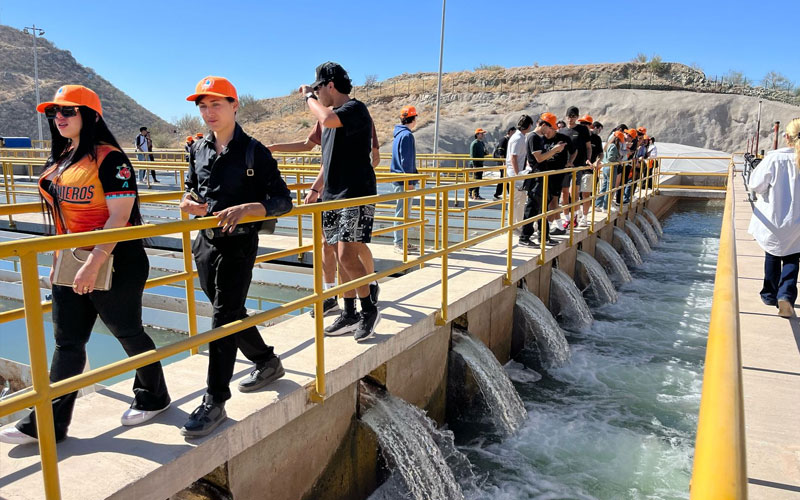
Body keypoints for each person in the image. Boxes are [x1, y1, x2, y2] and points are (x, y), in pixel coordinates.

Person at [0, 85, 171, 445]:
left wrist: (93, 264)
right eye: (54, 113)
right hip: (72, 260)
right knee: (68, 342)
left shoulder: (111, 160)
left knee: (127, 332)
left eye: (68, 111)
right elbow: (63, 219)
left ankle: (155, 396)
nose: (59, 118)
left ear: (90, 116)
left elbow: (120, 217)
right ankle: (49, 423)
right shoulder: (62, 157)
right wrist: (59, 260)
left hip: (115, 260)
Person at [179, 76, 292, 437]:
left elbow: (283, 200)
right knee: (228, 311)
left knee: (223, 319)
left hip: (239, 245)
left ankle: (215, 400)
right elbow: (191, 189)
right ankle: (266, 361)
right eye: (203, 106)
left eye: (216, 104)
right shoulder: (197, 149)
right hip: (206, 243)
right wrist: (188, 203)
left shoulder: (254, 151)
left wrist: (253, 207)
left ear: (234, 105)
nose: (208, 112)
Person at [268, 102, 382, 318]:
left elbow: (372, 153)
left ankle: (368, 286)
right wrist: (275, 148)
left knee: (352, 248)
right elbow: (309, 146)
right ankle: (334, 297)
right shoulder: (325, 120)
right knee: (328, 245)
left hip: (351, 191)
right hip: (330, 190)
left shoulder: (353, 112)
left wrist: (371, 154)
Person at [300, 62, 381, 342]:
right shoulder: (332, 119)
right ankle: (349, 312)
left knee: (348, 254)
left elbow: (327, 119)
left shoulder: (355, 110)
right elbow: (328, 161)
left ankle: (369, 309)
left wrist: (307, 97)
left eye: (318, 88)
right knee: (336, 254)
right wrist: (314, 189)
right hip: (333, 195)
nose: (317, 93)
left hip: (356, 192)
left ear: (329, 86)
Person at [748, 118, 800, 318]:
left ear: (786, 137)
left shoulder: (775, 158)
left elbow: (756, 184)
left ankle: (770, 295)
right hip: (797, 222)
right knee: (792, 256)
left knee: (772, 254)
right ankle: (786, 295)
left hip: (774, 218)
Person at [519, 116, 563, 246]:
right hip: (537, 177)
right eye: (550, 127)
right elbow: (539, 158)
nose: (550, 130)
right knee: (532, 208)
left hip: (543, 176)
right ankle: (524, 237)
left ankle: (544, 236)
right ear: (544, 124)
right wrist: (555, 150)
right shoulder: (533, 137)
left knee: (543, 208)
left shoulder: (540, 138)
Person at [391, 105, 419, 254]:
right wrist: (410, 181)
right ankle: (399, 242)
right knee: (402, 212)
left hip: (399, 178)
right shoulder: (407, 136)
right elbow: (406, 161)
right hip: (404, 180)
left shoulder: (398, 135)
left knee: (403, 212)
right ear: (413, 119)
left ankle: (403, 241)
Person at [558, 106, 592, 228]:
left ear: (577, 117)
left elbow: (588, 147)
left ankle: (575, 216)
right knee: (564, 194)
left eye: (573, 116)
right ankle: (567, 218)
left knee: (575, 193)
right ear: (565, 117)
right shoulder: (561, 131)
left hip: (578, 166)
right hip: (564, 167)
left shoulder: (582, 130)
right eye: (569, 116)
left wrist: (588, 159)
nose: (570, 119)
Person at [506, 115, 534, 230]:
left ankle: (518, 224)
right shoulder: (517, 138)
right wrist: (518, 175)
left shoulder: (520, 137)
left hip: (519, 172)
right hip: (516, 174)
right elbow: (513, 157)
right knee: (516, 200)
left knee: (520, 200)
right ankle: (513, 225)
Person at [596, 130, 625, 211]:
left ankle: (598, 205)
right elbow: (611, 158)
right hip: (611, 168)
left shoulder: (608, 145)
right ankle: (605, 207)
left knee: (604, 187)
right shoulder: (613, 146)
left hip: (606, 167)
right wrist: (618, 161)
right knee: (610, 188)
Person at [493, 127, 515, 199]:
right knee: (505, 177)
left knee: (504, 178)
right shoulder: (504, 140)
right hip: (503, 162)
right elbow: (501, 152)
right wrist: (503, 162)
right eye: (514, 132)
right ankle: (506, 193)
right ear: (510, 131)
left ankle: (498, 193)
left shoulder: (510, 140)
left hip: (506, 162)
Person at [469, 128, 488, 200]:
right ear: (477, 134)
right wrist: (474, 165)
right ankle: (471, 191)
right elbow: (472, 155)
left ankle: (476, 194)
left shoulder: (481, 143)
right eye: (481, 133)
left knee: (479, 179)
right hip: (476, 163)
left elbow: (482, 152)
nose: (483, 135)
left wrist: (485, 153)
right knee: (476, 179)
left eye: (483, 133)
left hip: (480, 163)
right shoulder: (474, 143)